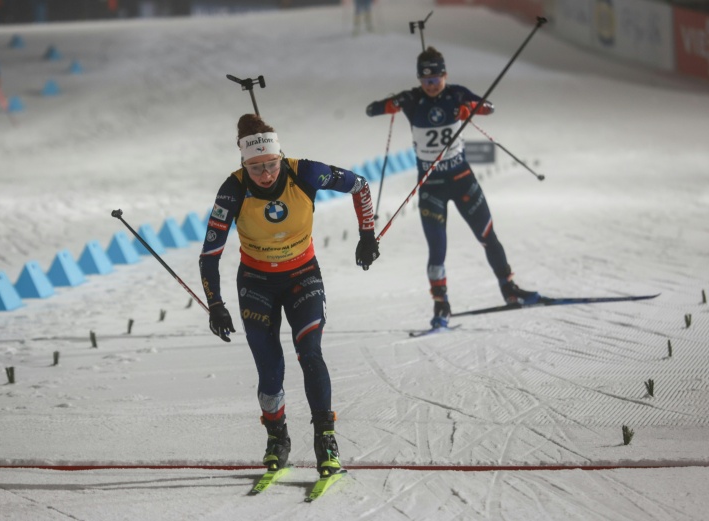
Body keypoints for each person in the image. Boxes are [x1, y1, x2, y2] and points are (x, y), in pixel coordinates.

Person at [198, 113, 380, 476]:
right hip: (256, 282)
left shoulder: (306, 172)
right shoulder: (232, 190)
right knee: (270, 370)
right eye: (255, 168)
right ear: (243, 164)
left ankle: (325, 439)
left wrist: (367, 233)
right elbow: (209, 255)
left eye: (271, 164)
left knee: (310, 352)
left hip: (302, 275)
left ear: (281, 157)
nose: (265, 174)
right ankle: (277, 437)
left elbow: (359, 185)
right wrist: (215, 305)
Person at [365, 46, 538, 329]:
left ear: (445, 75)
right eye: (426, 81)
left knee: (488, 236)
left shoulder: (456, 94)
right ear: (420, 79)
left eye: (436, 80)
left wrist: (469, 109)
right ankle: (441, 305)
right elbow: (371, 110)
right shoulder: (411, 99)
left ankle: (509, 289)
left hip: (463, 182)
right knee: (437, 250)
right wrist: (392, 105)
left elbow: (489, 107)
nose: (432, 86)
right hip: (431, 187)